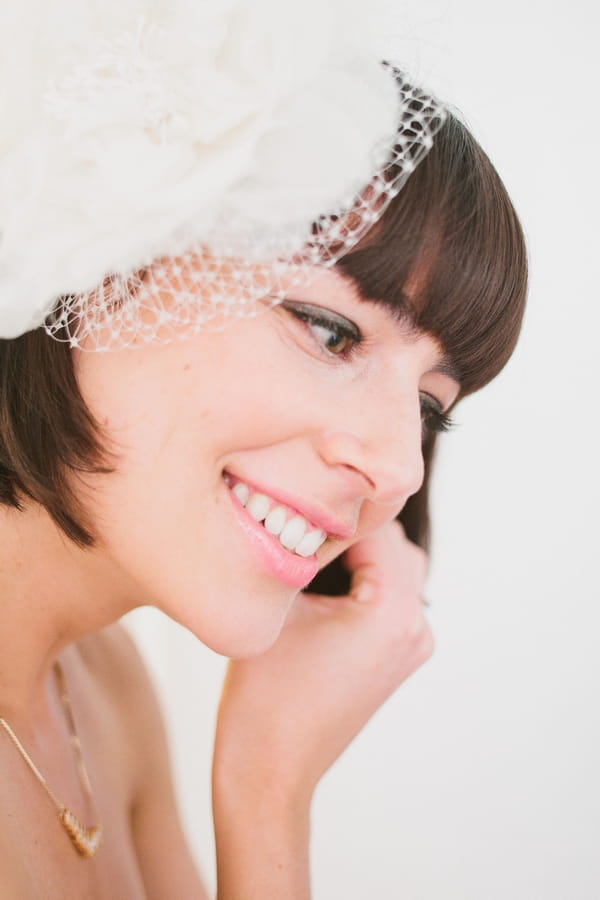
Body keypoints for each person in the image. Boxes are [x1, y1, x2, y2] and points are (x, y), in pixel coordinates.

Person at [0, 2, 527, 897]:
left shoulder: (100, 692)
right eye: (330, 331)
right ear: (98, 259)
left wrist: (266, 783)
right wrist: (267, 791)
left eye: (431, 409)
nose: (400, 467)